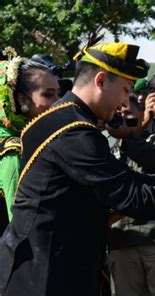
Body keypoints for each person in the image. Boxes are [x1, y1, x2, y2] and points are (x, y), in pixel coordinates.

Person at [0, 42, 155, 296]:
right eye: (125, 90)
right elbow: (132, 197)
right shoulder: (74, 133)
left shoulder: (62, 120)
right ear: (101, 80)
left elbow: (128, 179)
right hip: (44, 276)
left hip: (44, 270)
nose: (126, 101)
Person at [106, 95, 155, 296]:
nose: (124, 121)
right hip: (121, 241)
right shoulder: (107, 144)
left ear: (144, 114)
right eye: (119, 116)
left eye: (130, 116)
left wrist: (129, 135)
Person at [0, 51, 61, 235]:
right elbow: (20, 226)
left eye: (59, 94)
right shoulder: (13, 151)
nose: (58, 103)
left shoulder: (29, 140)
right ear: (22, 99)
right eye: (48, 95)